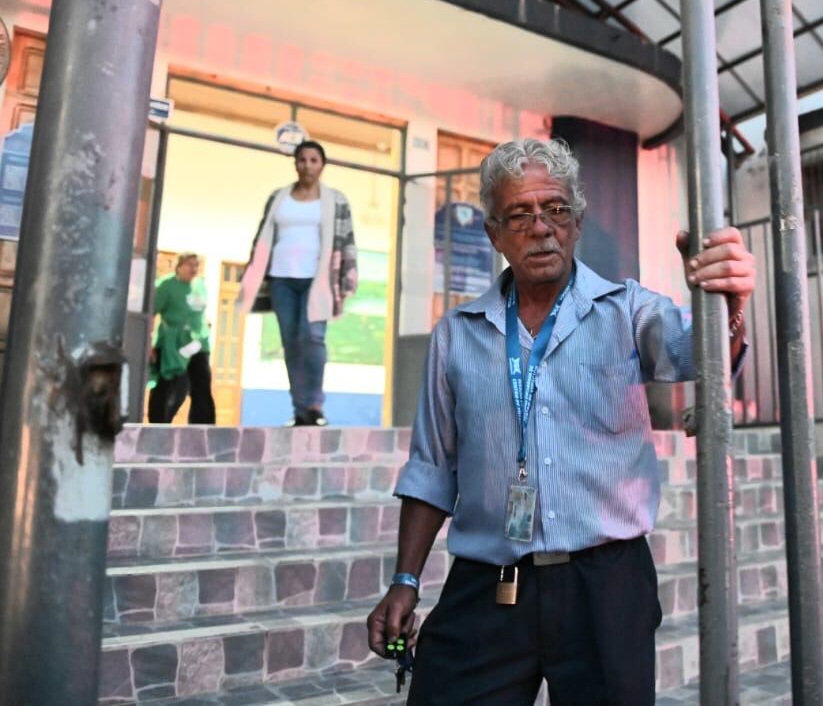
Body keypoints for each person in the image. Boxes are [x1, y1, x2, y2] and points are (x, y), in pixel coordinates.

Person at [366, 138, 755, 704]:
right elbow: (431, 466)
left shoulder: (627, 310)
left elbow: (701, 352)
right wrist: (405, 580)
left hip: (606, 583)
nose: (542, 227)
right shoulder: (456, 333)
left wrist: (730, 299)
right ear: (494, 234)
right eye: (520, 214)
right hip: (488, 581)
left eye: (555, 209)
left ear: (577, 223)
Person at [238, 140, 358, 427]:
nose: (307, 165)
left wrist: (347, 277)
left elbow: (347, 239)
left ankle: (315, 404)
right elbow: (262, 236)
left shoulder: (336, 200)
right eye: (302, 159)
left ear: (322, 165)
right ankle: (300, 409)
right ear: (295, 163)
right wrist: (253, 270)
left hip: (318, 280)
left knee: (312, 338)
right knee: (291, 343)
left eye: (313, 160)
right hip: (281, 279)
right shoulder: (278, 197)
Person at [148, 252, 215, 425]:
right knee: (168, 385)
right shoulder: (165, 286)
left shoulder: (200, 286)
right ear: (179, 266)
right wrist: (148, 343)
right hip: (172, 344)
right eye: (189, 265)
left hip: (197, 344)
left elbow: (198, 312)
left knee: (201, 386)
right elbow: (150, 314)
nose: (193, 269)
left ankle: (202, 428)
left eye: (196, 265)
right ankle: (158, 423)